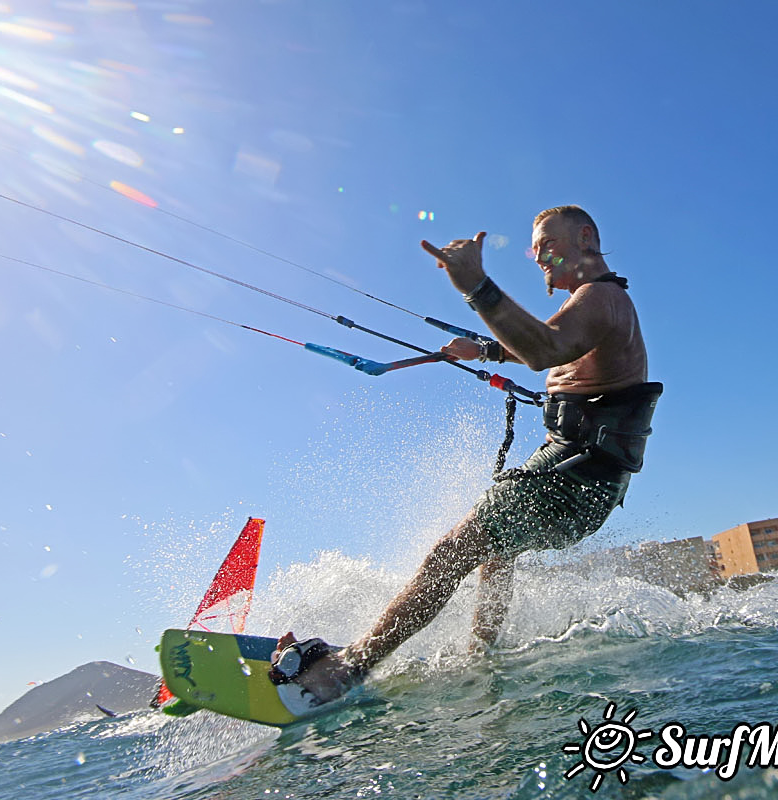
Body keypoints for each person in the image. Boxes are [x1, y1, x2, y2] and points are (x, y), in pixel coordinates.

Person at [271, 205, 661, 703]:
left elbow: (546, 348)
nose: (538, 256)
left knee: (455, 549)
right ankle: (481, 653)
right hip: (585, 478)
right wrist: (488, 349)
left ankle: (346, 670)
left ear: (585, 237)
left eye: (546, 243)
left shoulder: (601, 299)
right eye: (532, 248)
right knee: (496, 548)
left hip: (575, 476)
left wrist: (476, 285)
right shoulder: (600, 304)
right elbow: (551, 346)